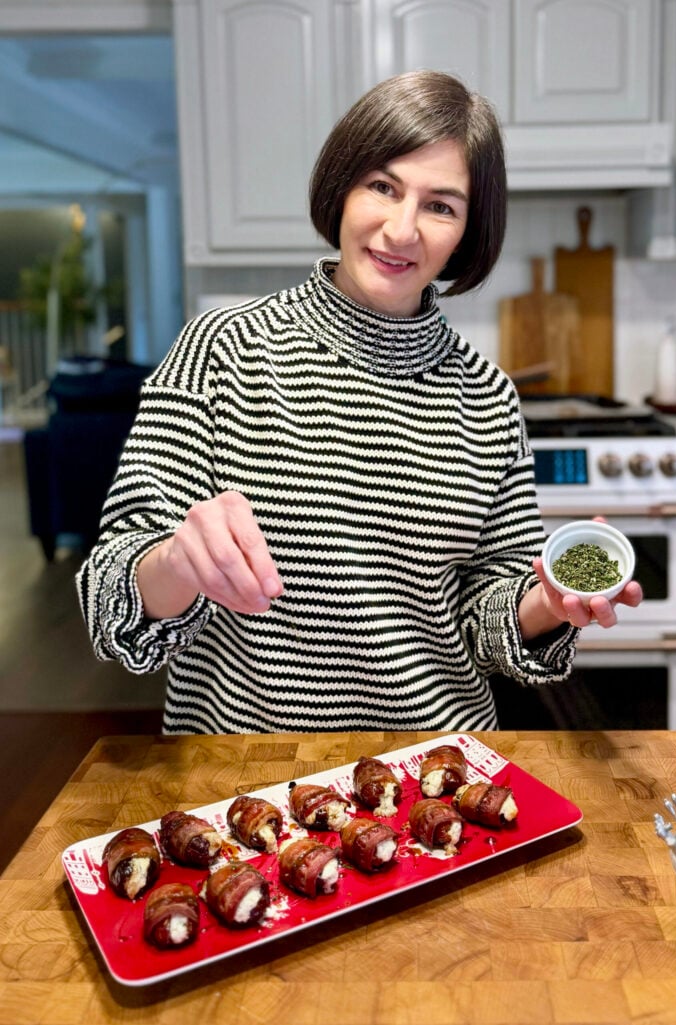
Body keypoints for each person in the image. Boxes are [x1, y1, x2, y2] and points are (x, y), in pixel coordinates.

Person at [76, 70, 642, 735]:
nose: (401, 229)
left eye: (441, 205)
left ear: (467, 229)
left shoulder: (486, 395)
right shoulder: (221, 348)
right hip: (247, 784)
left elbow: (485, 615)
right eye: (382, 186)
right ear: (340, 189)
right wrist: (174, 561)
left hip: (434, 778)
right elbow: (107, 595)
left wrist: (545, 602)